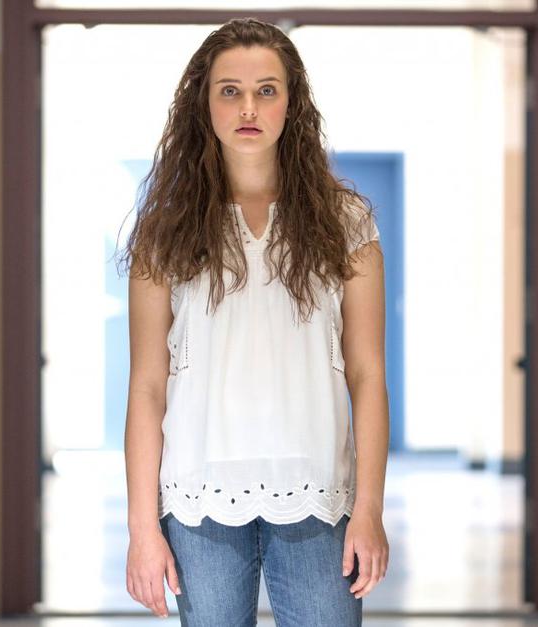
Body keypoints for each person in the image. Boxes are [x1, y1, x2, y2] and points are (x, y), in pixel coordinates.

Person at [118, 17, 389, 626]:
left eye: (266, 90)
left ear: (292, 103)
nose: (248, 107)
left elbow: (368, 374)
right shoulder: (163, 230)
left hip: (320, 499)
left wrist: (369, 508)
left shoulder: (347, 222)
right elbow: (148, 386)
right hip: (196, 505)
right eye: (230, 90)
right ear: (204, 103)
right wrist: (141, 529)